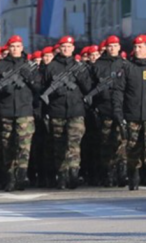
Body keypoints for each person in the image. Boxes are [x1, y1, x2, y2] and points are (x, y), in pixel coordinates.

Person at [40, 36, 93, 189]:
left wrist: (80, 76)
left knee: (74, 145)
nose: (66, 49)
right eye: (63, 46)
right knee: (59, 146)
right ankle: (62, 176)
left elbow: (87, 88)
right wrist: (56, 92)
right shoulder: (52, 67)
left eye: (68, 46)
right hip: (57, 111)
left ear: (72, 48)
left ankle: (74, 174)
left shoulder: (79, 66)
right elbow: (43, 89)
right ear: (59, 48)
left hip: (76, 111)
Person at [120, 35, 146, 190]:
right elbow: (119, 91)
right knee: (133, 147)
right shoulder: (128, 67)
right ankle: (133, 176)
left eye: (141, 47)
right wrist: (120, 112)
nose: (137, 50)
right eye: (135, 47)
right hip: (133, 113)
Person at [89, 35, 127, 187]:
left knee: (122, 141)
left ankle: (122, 173)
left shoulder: (124, 64)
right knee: (106, 143)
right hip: (104, 109)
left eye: (115, 45)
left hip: (121, 108)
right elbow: (91, 87)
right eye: (110, 46)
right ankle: (108, 173)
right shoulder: (98, 65)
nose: (113, 48)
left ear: (119, 47)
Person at [0, 36, 37, 191]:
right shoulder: (1, 65)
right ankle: (10, 177)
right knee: (6, 144)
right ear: (8, 48)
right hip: (6, 110)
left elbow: (39, 87)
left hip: (24, 110)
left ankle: (21, 175)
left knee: (24, 145)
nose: (15, 49)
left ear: (22, 47)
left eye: (18, 46)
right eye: (12, 46)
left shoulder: (29, 65)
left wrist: (30, 78)